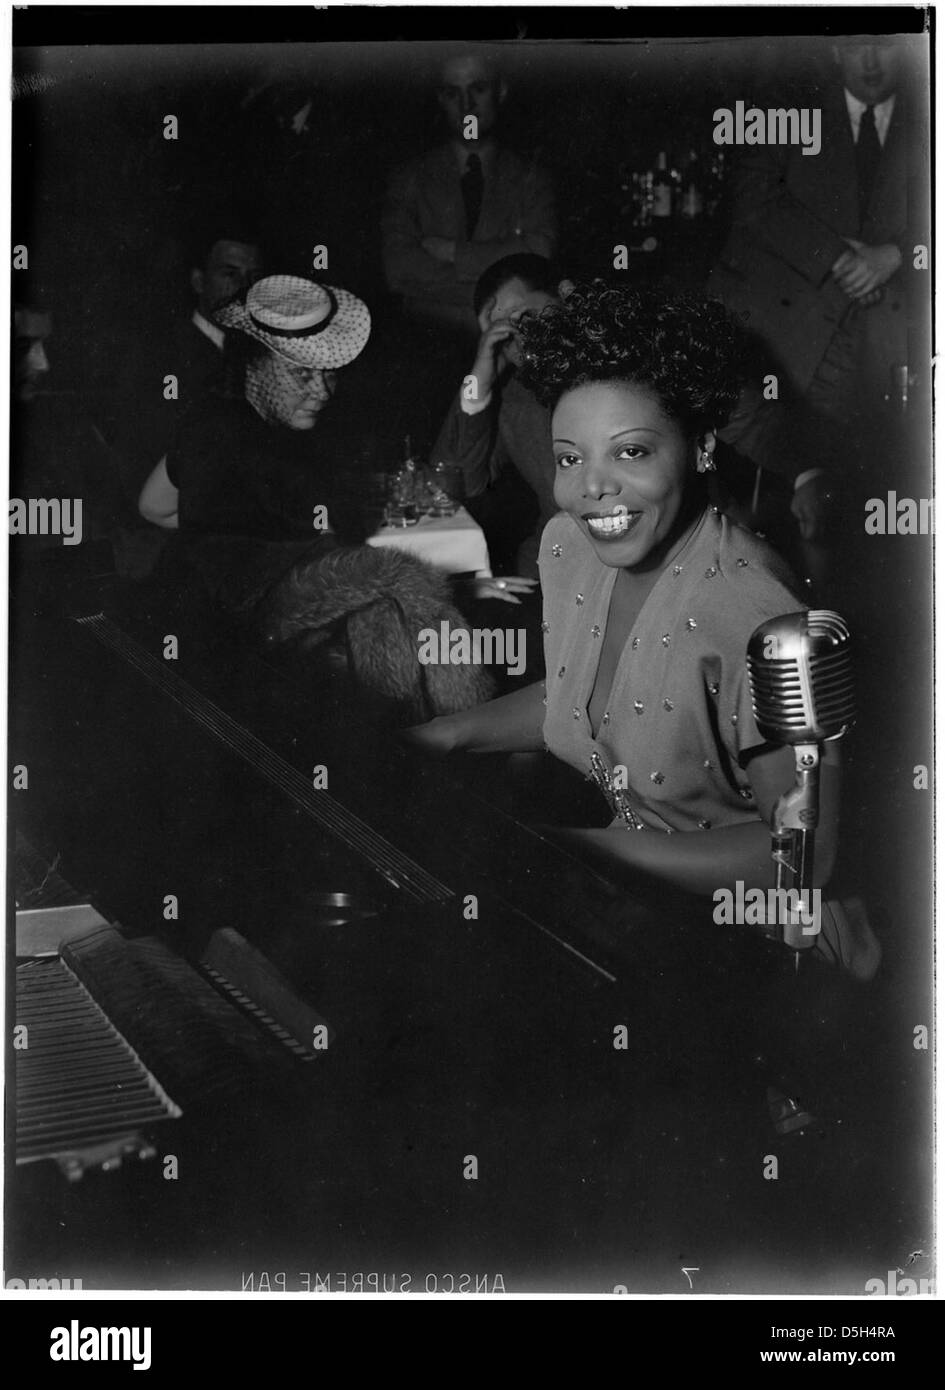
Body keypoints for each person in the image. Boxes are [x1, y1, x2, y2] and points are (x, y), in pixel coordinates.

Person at [409, 283, 880, 979]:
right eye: (570, 458)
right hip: (644, 913)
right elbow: (588, 695)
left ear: (700, 449)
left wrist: (585, 848)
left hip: (776, 956)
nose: (588, 488)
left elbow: (806, 851)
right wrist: (446, 733)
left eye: (629, 453)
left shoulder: (761, 609)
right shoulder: (569, 546)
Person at [138, 274, 494, 722]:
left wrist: (217, 525)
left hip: (199, 600)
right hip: (239, 617)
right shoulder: (264, 446)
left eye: (329, 374)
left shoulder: (206, 415)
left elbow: (152, 507)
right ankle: (462, 728)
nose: (321, 391)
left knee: (392, 606)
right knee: (408, 592)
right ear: (253, 364)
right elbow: (335, 541)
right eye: (301, 374)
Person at [707, 36, 919, 532]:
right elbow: (755, 201)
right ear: (835, 53)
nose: (869, 62)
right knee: (781, 491)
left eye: (883, 47)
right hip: (791, 331)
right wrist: (843, 259)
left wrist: (895, 256)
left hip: (887, 341)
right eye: (856, 47)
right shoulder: (786, 110)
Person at [381, 48, 556, 340]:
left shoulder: (531, 178)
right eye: (453, 93)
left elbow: (541, 253)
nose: (467, 105)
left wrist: (453, 252)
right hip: (427, 342)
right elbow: (397, 269)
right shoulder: (409, 177)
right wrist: (501, 275)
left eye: (478, 89)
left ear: (500, 92)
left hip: (507, 345)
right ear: (440, 99)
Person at [431, 253, 561, 579]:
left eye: (526, 317)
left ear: (566, 296)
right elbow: (458, 482)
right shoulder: (514, 396)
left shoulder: (628, 368)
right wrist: (480, 379)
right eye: (503, 332)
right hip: (557, 564)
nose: (519, 339)